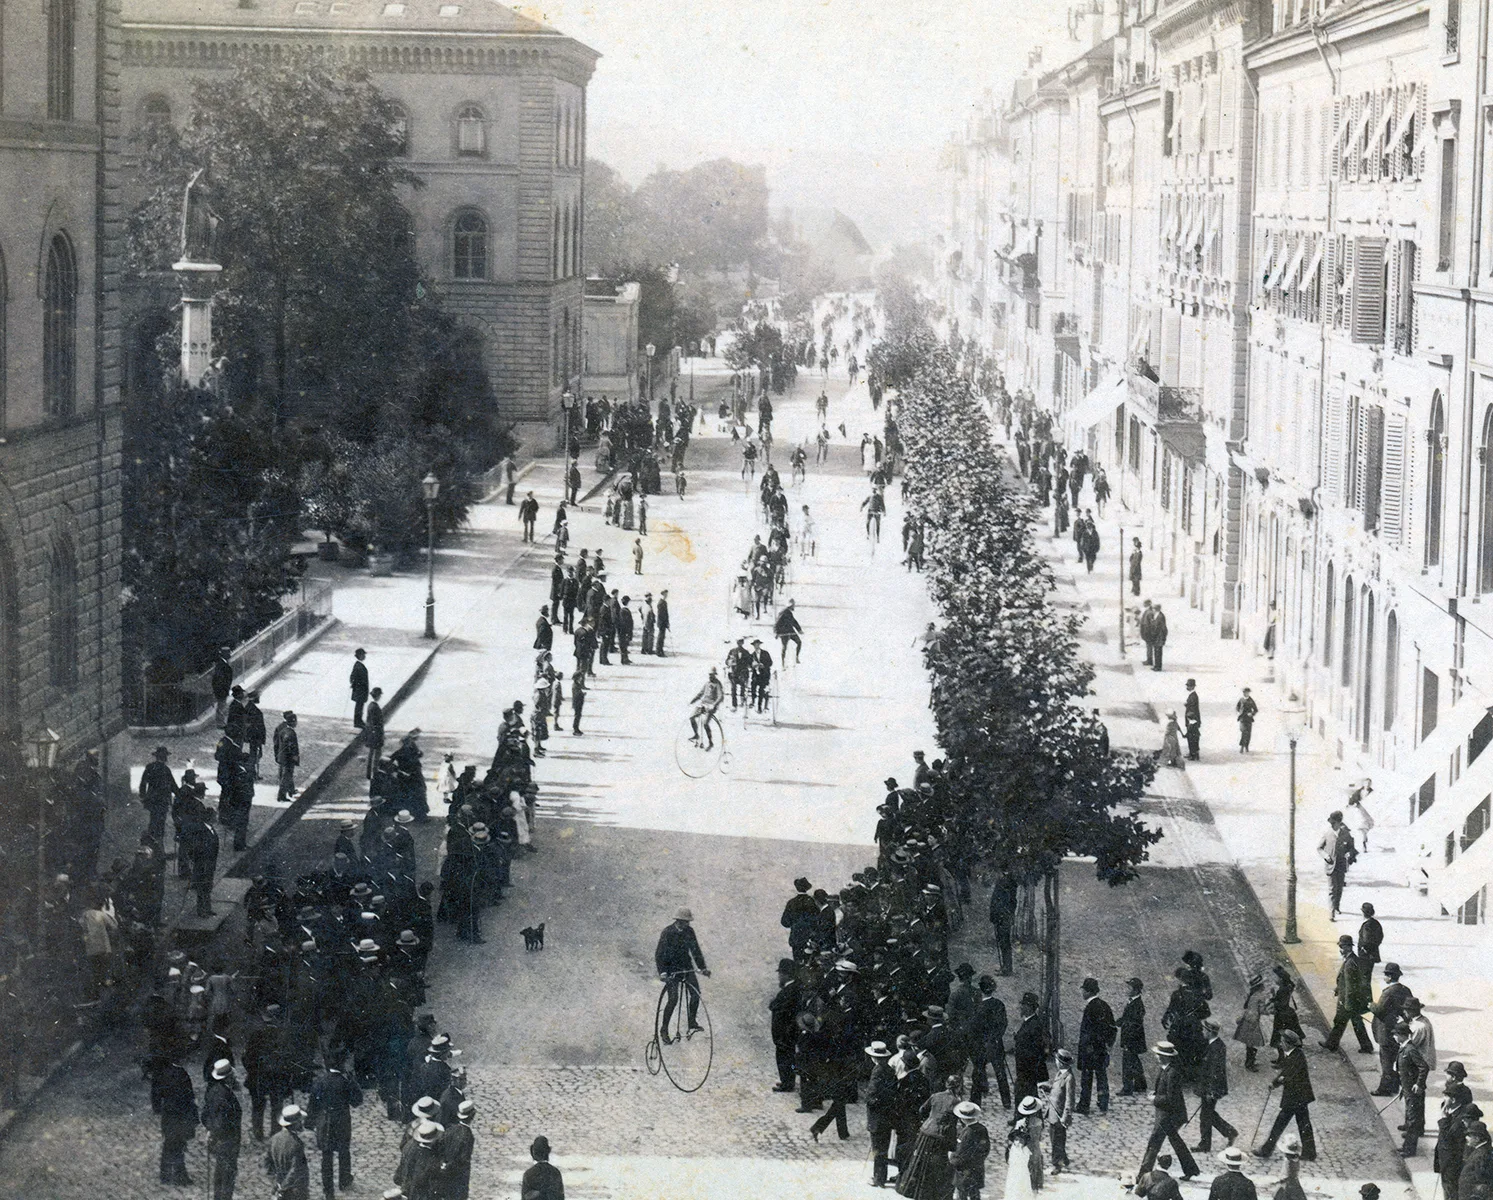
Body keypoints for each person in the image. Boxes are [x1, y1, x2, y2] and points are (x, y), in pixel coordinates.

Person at [1138, 1041, 1198, 1179]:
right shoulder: (1165, 1069)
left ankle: (1142, 1176)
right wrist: (1156, 1093)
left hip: (1168, 1116)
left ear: (1165, 1057)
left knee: (1154, 1144)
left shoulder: (1172, 1074)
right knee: (1176, 1142)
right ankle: (1191, 1170)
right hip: (1168, 1115)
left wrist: (1155, 1099)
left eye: (1159, 1055)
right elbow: (1164, 1090)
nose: (1157, 1057)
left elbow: (1171, 1099)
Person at [1253, 1029, 1316, 1160]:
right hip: (1300, 1097)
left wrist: (1280, 1081)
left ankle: (1266, 1150)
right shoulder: (1293, 1054)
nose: (1280, 1044)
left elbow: (1289, 1076)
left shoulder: (1296, 1057)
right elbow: (1285, 1072)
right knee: (1303, 1123)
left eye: (1282, 1041)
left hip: (1295, 1097)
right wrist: (1275, 1083)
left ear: (1288, 1043)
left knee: (1280, 1124)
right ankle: (1310, 1152)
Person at [307, 1057, 362, 1199]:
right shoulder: (345, 1082)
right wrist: (353, 1081)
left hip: (325, 1123)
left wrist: (310, 1123)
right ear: (341, 1065)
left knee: (327, 1156)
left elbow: (313, 1104)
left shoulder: (320, 1082)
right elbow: (357, 1101)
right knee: (344, 1151)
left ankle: (328, 1191)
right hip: (342, 1122)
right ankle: (344, 1180)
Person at [655, 908, 709, 1041]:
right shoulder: (667, 932)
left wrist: (702, 968)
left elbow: (695, 950)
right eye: (685, 922)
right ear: (678, 921)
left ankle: (692, 1022)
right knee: (673, 999)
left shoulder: (689, 931)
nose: (687, 924)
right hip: (671, 970)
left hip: (686, 967)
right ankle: (664, 1029)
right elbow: (659, 954)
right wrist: (662, 972)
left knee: (695, 994)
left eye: (688, 922)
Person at [151, 1051, 199, 1185]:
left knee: (169, 1145)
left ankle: (165, 1174)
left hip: (168, 1115)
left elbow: (156, 1093)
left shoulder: (164, 1073)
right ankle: (180, 1176)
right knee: (178, 1146)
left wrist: (159, 1109)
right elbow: (189, 1097)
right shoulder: (183, 1075)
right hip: (180, 1116)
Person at [1194, 1020, 1238, 1153]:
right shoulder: (1213, 1045)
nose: (1203, 1032)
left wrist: (1211, 1091)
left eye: (1204, 1030)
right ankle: (1230, 1132)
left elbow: (1216, 1072)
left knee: (1205, 1115)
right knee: (1208, 1114)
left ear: (1209, 1032)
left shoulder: (1217, 1047)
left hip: (1211, 1089)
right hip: (1207, 1087)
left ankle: (1205, 1144)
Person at [203, 1058, 243, 1200]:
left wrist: (209, 1130)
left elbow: (205, 1115)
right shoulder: (225, 1095)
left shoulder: (213, 1090)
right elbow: (220, 1123)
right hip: (227, 1141)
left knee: (220, 1176)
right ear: (229, 1077)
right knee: (227, 1178)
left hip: (220, 1141)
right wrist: (215, 1131)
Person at [1076, 976, 1116, 1114]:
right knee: (1101, 1076)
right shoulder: (1104, 1005)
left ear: (1088, 992)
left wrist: (1087, 1046)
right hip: (1101, 1049)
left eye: (1084, 990)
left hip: (1090, 1049)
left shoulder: (1090, 1008)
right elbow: (1112, 1028)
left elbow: (1088, 1032)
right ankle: (1103, 1103)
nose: (1082, 993)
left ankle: (1084, 1105)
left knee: (1086, 1078)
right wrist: (1108, 1045)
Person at [1371, 963, 1412, 1094]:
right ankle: (1394, 1086)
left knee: (1386, 1062)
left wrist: (1371, 1005)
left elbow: (1379, 1010)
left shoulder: (1388, 992)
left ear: (1389, 977)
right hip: (1398, 1030)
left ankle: (1384, 1088)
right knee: (1394, 1059)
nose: (1384, 977)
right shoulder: (1405, 990)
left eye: (1385, 974)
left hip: (1385, 1031)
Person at [866, 1040, 899, 1187]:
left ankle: (878, 1178)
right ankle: (881, 1176)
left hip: (877, 1116)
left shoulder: (877, 1071)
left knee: (878, 1148)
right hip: (888, 1114)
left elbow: (872, 1095)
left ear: (874, 1057)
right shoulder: (890, 1069)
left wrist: (871, 1103)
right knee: (883, 1147)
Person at [264, 1104, 311, 1200]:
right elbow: (295, 1170)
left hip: (280, 1186)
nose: (301, 1123)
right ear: (295, 1123)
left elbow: (267, 1163)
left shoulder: (274, 1139)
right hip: (295, 1191)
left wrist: (275, 1183)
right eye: (300, 1121)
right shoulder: (296, 1144)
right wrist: (284, 1187)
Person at [1317, 810, 1358, 920]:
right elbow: (1319, 848)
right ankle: (1331, 913)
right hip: (1330, 865)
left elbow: (1352, 848)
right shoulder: (1327, 834)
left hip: (1341, 865)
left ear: (1339, 823)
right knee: (1332, 889)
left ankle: (1336, 907)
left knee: (1339, 888)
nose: (1332, 825)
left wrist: (1350, 853)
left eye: (1334, 823)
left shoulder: (1346, 834)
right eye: (1331, 823)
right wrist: (1326, 856)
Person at [949, 1101, 991, 1200]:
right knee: (974, 1192)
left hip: (964, 1170)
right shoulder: (982, 1128)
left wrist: (952, 1160)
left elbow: (960, 1152)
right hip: (977, 1168)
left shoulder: (966, 1132)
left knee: (962, 1192)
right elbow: (986, 1148)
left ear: (963, 1119)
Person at [140, 745, 177, 843]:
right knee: (160, 822)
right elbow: (173, 786)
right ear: (165, 758)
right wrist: (181, 794)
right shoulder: (166, 770)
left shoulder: (150, 767)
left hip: (152, 799)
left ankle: (151, 840)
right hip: (163, 800)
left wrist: (143, 797)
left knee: (153, 819)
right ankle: (158, 843)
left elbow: (143, 783)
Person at [1047, 1049, 1075, 1172]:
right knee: (1057, 1138)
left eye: (1056, 1060)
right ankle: (1063, 1158)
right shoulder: (1059, 1074)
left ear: (1061, 1063)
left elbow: (1070, 1099)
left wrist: (1066, 1115)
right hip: (1053, 1113)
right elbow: (1055, 1088)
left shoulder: (1069, 1078)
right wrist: (1046, 1087)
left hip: (1059, 1115)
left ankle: (1056, 1164)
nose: (1055, 1062)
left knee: (1056, 1140)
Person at [1119, 977, 1148, 1094]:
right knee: (1134, 1061)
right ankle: (1141, 1085)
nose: (1127, 990)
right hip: (1134, 1038)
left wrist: (1127, 1040)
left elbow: (1134, 1023)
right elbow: (1127, 1018)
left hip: (1132, 1038)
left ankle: (1127, 1088)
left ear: (1136, 990)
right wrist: (1118, 1022)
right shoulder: (1133, 1001)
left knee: (1127, 1063)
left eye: (1129, 988)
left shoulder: (1137, 1004)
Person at [988, 872, 1017, 976]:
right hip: (1001, 917)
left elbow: (1002, 904)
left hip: (1003, 918)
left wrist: (996, 915)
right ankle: (1005, 966)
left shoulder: (1005, 888)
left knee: (1005, 943)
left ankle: (1007, 968)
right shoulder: (1001, 886)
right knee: (1003, 942)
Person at [688, 668, 725, 749]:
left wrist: (714, 704)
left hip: (711, 706)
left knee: (705, 723)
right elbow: (700, 693)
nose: (710, 676)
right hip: (703, 704)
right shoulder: (707, 684)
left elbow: (720, 696)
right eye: (709, 675)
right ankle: (696, 734)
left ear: (715, 675)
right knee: (691, 717)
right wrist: (692, 700)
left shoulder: (717, 684)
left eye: (712, 675)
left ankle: (710, 742)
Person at [521, 1135, 564, 1200]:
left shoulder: (529, 1174)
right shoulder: (555, 1173)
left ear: (533, 1153)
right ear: (548, 1152)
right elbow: (560, 1197)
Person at [273, 711, 300, 804]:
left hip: (282, 758)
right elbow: (291, 748)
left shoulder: (284, 730)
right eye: (295, 721)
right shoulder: (290, 733)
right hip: (288, 759)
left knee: (285, 776)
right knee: (286, 776)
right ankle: (281, 795)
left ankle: (287, 792)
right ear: (293, 722)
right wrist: (294, 757)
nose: (296, 723)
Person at [364, 688, 386, 780]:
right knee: (377, 754)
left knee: (371, 753)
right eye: (380, 695)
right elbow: (376, 723)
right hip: (376, 733)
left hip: (371, 732)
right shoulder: (375, 707)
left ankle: (369, 773)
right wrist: (381, 734)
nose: (380, 696)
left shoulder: (370, 705)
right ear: (377, 696)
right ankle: (374, 772)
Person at [775, 598, 803, 665]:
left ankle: (796, 657)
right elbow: (777, 623)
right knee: (784, 648)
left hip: (790, 632)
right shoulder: (783, 612)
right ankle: (783, 663)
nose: (794, 606)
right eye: (793, 605)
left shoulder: (789, 612)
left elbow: (794, 622)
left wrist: (799, 630)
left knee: (799, 642)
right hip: (784, 633)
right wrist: (777, 633)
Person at [212, 645, 234, 725]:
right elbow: (219, 679)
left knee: (222, 705)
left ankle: (221, 721)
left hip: (223, 689)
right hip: (221, 690)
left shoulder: (222, 664)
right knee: (221, 706)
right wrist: (223, 689)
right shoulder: (222, 665)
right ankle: (220, 722)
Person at [350, 648, 370, 729]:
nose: (364, 656)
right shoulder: (359, 666)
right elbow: (353, 678)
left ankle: (359, 721)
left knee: (360, 706)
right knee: (359, 706)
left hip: (360, 689)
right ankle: (358, 722)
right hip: (360, 689)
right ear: (360, 656)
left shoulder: (358, 665)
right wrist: (356, 685)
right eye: (363, 655)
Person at [1236, 688, 1259, 753]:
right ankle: (1242, 747)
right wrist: (1239, 712)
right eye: (1244, 692)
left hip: (1249, 719)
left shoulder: (1251, 700)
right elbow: (1237, 707)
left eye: (1247, 692)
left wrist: (1251, 713)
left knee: (1248, 734)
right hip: (1242, 719)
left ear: (1249, 693)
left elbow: (1256, 709)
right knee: (1244, 732)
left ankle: (1246, 746)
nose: (1245, 693)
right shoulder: (1241, 699)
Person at [1184, 680, 1202, 761]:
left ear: (1192, 686)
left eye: (1188, 686)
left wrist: (1191, 720)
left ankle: (1193, 754)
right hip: (1192, 719)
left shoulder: (1193, 696)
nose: (1187, 687)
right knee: (1192, 737)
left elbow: (1193, 709)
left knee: (1192, 738)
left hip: (1192, 720)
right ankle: (1192, 753)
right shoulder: (1192, 695)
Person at [1151, 604, 1168, 671]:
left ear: (1156, 609)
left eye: (1154, 609)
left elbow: (1163, 627)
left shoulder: (1160, 616)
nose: (1153, 610)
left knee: (1158, 653)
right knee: (1156, 652)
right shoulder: (1157, 615)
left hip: (1159, 637)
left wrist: (1163, 637)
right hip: (1157, 637)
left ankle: (1158, 667)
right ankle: (1156, 666)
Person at [656, 590, 671, 657]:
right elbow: (661, 615)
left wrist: (667, 623)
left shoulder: (663, 602)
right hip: (662, 623)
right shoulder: (661, 603)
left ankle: (660, 651)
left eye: (666, 594)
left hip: (663, 623)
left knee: (662, 637)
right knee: (660, 638)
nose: (666, 596)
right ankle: (659, 652)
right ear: (663, 594)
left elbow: (666, 614)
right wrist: (665, 623)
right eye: (665, 594)